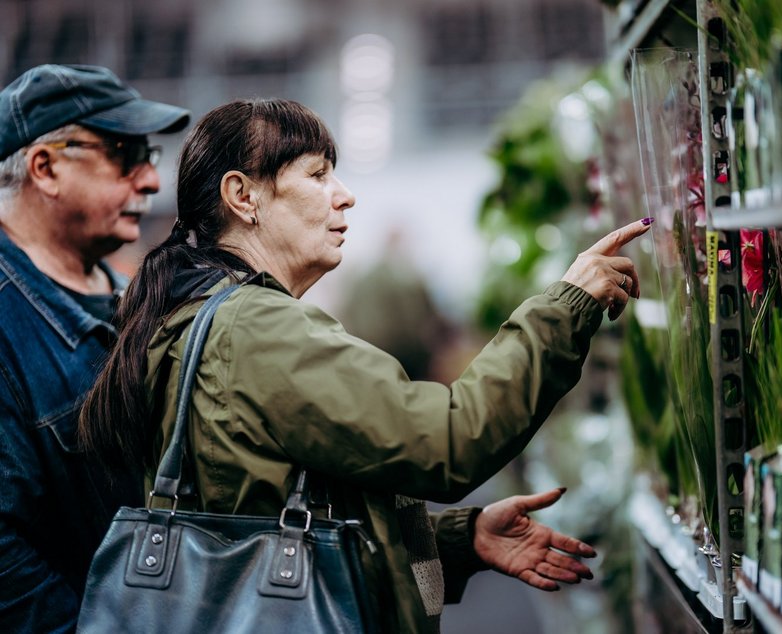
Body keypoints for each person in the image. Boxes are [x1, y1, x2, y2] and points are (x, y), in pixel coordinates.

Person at [79, 98, 650, 633]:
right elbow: (449, 441)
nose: (345, 195)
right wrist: (567, 304)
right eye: (318, 173)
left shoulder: (193, 317)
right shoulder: (256, 331)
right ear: (243, 196)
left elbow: (271, 516)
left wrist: (460, 540)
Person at [0, 64, 189, 632]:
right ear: (47, 167)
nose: (151, 181)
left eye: (149, 156)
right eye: (123, 153)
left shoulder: (130, 301)